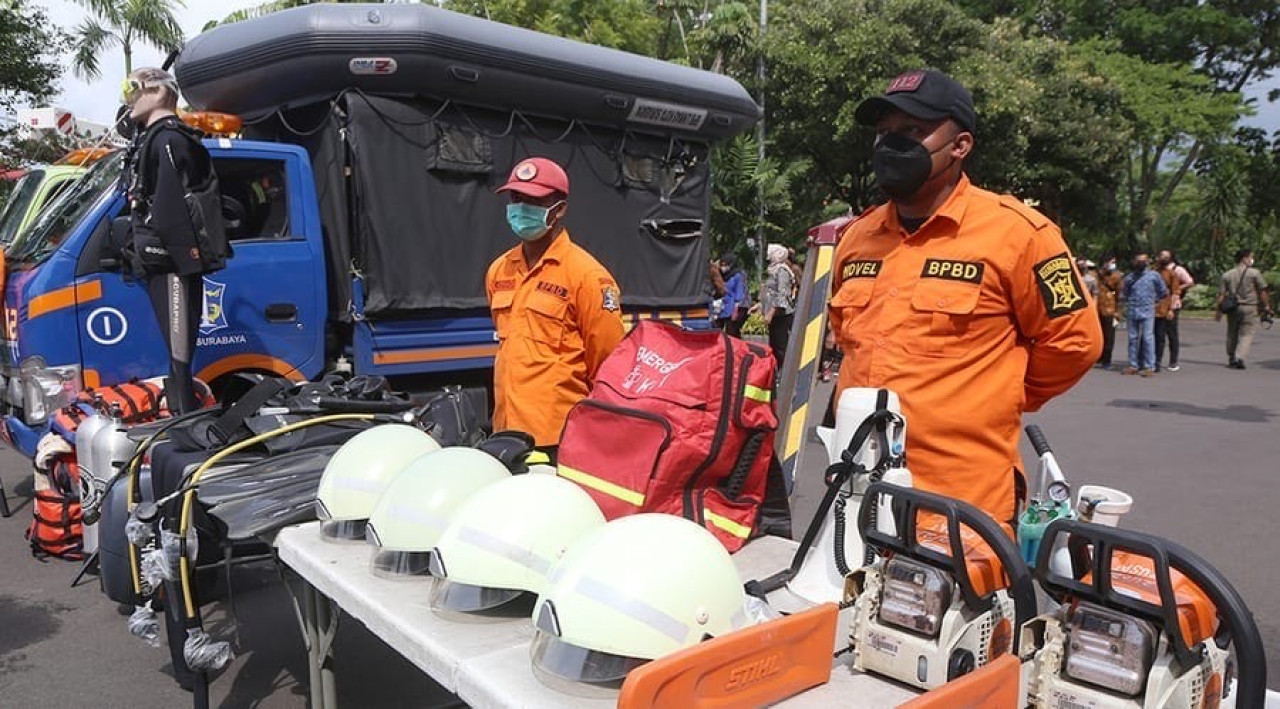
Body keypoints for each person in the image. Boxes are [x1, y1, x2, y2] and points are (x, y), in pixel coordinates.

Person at [829, 69, 1101, 528]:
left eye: (913, 131)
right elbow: (850, 342)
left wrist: (994, 395)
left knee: (963, 602)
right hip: (857, 489)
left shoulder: (1019, 234)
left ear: (961, 145)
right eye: (884, 133)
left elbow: (1074, 343)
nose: (892, 145)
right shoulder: (858, 238)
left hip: (960, 500)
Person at [486, 157, 625, 457]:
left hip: (558, 435)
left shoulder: (587, 276)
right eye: (516, 198)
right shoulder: (499, 271)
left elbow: (608, 362)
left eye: (533, 200)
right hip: (506, 429)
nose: (521, 208)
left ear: (559, 209)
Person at [122, 68, 224, 414]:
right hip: (162, 261)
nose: (128, 99)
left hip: (172, 264)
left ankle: (186, 425)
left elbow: (173, 207)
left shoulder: (168, 140)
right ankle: (181, 422)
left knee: (180, 357)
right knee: (175, 352)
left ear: (160, 94)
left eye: (132, 88)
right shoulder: (150, 140)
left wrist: (186, 259)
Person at [1214, 248, 1274, 369]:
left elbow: (1221, 294)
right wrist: (1267, 306)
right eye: (1251, 257)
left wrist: (1219, 311)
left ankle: (1231, 357)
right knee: (1247, 333)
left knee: (1232, 333)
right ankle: (1239, 357)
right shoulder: (1254, 273)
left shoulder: (1227, 274)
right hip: (1249, 307)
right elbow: (1262, 291)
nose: (1252, 259)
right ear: (1245, 258)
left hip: (1233, 308)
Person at [1121, 253, 1168, 377]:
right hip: (1132, 310)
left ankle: (1149, 367)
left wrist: (1154, 301)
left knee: (1148, 338)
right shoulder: (1129, 277)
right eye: (1138, 261)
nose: (1140, 263)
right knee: (1132, 338)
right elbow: (1124, 293)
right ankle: (1133, 365)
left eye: (1143, 261)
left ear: (1147, 262)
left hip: (1147, 310)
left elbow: (1163, 291)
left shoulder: (1154, 276)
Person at [1153, 249, 1192, 372]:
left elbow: (1189, 282)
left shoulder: (1177, 270)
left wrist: (1178, 288)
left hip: (1172, 306)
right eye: (1161, 256)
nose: (1162, 258)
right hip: (1157, 306)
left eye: (1165, 256)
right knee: (1158, 335)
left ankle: (1173, 360)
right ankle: (1156, 360)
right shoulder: (1155, 271)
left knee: (1172, 334)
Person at [762, 243, 797, 367]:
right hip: (774, 314)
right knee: (774, 344)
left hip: (781, 314)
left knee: (780, 345)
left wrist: (771, 312)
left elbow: (782, 293)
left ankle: (785, 371)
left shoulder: (782, 270)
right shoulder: (774, 269)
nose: (768, 255)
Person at [1095, 256, 1122, 368]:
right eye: (1111, 262)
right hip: (1097, 309)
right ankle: (1099, 357)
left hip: (1110, 309)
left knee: (1109, 336)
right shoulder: (1096, 276)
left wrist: (1118, 311)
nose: (1112, 265)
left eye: (1114, 262)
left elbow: (1119, 295)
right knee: (1098, 335)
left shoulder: (1117, 277)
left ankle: (1107, 359)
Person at [714, 253, 748, 336]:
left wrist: (735, 310)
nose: (723, 267)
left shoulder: (737, 275)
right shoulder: (719, 275)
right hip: (720, 307)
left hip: (732, 307)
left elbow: (739, 293)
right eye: (721, 265)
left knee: (731, 332)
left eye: (725, 265)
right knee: (716, 331)